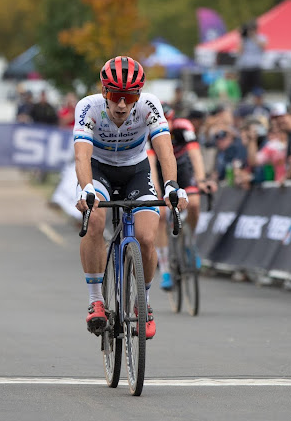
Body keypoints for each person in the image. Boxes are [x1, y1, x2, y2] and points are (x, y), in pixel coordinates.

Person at [74, 56, 188, 340]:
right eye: (115, 96)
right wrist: (86, 188)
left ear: (138, 95)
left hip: (135, 171)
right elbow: (82, 155)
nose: (122, 104)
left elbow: (164, 151)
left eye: (129, 96)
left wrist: (173, 185)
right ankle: (96, 300)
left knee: (147, 236)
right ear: (104, 93)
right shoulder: (88, 107)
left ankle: (143, 304)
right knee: (96, 219)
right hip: (98, 171)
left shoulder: (149, 105)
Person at [147, 104, 215, 291]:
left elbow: (195, 154)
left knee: (194, 204)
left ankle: (189, 242)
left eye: (168, 120)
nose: (165, 125)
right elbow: (151, 164)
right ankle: (166, 268)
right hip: (158, 171)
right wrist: (157, 191)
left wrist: (201, 180)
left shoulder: (183, 126)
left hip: (181, 167)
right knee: (160, 215)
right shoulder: (146, 131)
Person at [236, 20, 267, 99]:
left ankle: (257, 101)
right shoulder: (244, 39)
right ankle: (243, 101)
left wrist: (253, 37)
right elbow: (239, 51)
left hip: (256, 66)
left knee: (257, 88)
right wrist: (242, 38)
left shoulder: (261, 37)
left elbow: (263, 46)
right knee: (243, 87)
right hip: (245, 67)